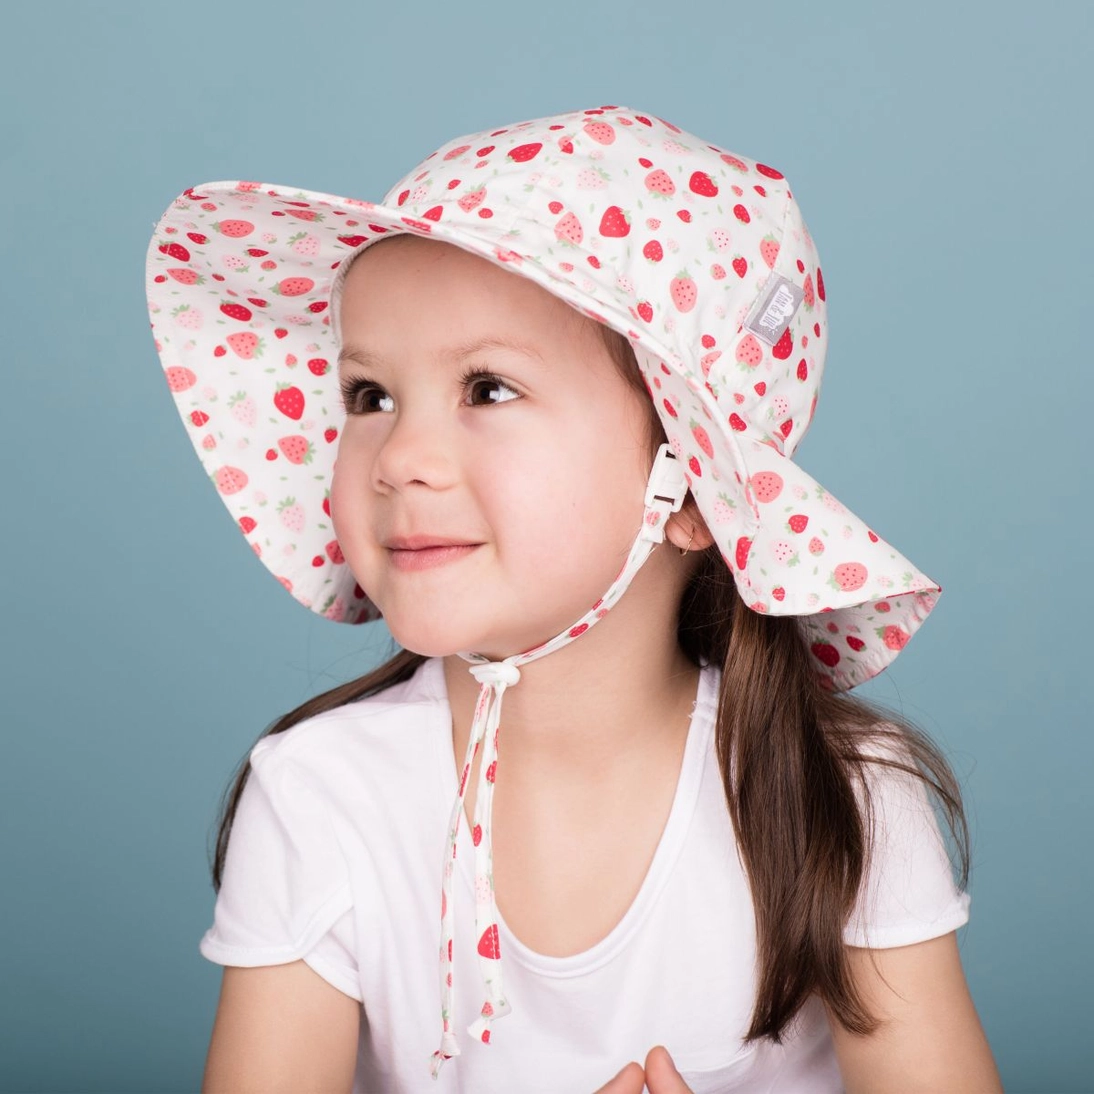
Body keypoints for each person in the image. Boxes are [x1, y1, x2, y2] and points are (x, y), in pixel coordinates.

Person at [146, 104, 1003, 1093]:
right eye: (368, 396)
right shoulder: (319, 798)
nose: (400, 459)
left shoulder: (841, 795)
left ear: (689, 491)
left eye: (487, 388)